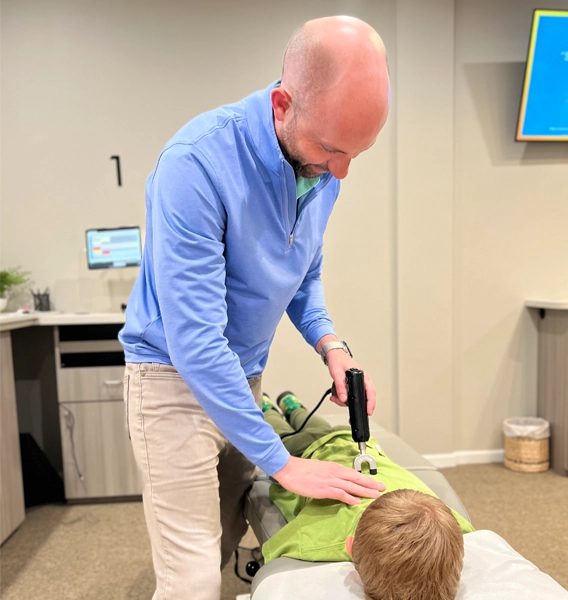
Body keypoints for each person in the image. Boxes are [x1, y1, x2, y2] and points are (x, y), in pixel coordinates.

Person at [118, 15, 390, 600]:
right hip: (171, 382)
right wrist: (283, 463)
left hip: (243, 377)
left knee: (220, 542)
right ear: (283, 103)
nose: (341, 171)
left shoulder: (322, 165)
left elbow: (301, 273)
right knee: (190, 578)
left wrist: (331, 345)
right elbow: (194, 340)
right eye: (331, 149)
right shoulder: (195, 165)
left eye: (357, 153)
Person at [260, 393, 475, 600]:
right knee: (277, 427)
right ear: (350, 547)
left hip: (353, 443)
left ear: (350, 547)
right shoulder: (319, 538)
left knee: (311, 424)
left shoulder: (456, 524)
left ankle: (289, 405)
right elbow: (275, 549)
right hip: (307, 454)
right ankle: (274, 407)